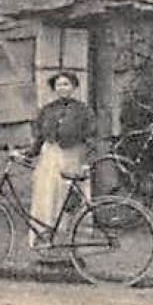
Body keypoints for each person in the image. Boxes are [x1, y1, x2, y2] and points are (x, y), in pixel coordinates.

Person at [26, 71, 95, 246]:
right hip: (50, 157)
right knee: (48, 193)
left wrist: (88, 162)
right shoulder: (47, 110)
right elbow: (39, 136)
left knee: (71, 195)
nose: (62, 88)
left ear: (74, 87)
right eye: (58, 85)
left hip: (74, 155)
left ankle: (73, 237)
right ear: (54, 89)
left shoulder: (83, 110)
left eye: (66, 84)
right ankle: (45, 233)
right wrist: (29, 153)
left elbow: (91, 137)